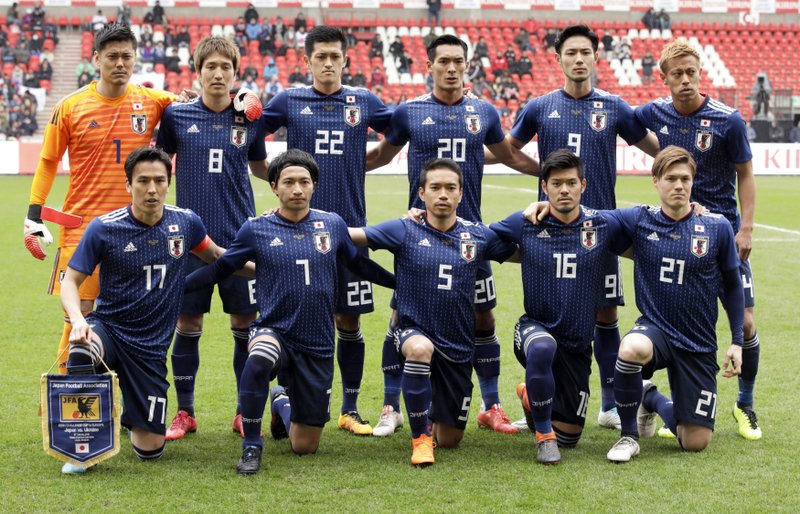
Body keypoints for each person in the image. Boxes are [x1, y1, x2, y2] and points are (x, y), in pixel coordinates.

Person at [366, 34, 538, 436]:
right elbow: (380, 156)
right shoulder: (409, 112)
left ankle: (490, 406)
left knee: (484, 317)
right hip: (420, 236)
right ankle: (391, 406)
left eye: (458, 61)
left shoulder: (484, 111)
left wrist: (550, 173)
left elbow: (510, 155)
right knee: (401, 316)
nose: (451, 68)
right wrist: (328, 169)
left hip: (472, 236)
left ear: (467, 65)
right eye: (443, 61)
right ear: (429, 66)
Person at [184, 149, 394, 475]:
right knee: (259, 358)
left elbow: (358, 264)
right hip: (275, 331)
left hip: (318, 342)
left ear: (314, 186)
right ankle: (252, 445)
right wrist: (176, 288)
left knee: (304, 446)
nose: (297, 189)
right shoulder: (256, 228)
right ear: (274, 186)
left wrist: (398, 283)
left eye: (304, 182)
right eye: (289, 182)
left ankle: (281, 400)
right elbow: (221, 268)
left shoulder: (332, 224)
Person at [503, 24, 659, 430]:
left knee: (605, 313)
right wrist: (544, 176)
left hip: (598, 232)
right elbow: (507, 150)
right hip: (551, 232)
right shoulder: (540, 107)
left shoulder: (615, 107)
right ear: (558, 59)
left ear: (596, 57)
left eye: (585, 52)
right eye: (570, 52)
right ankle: (539, 397)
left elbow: (658, 151)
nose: (578, 59)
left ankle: (608, 406)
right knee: (549, 315)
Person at [61, 146, 231, 473]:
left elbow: (217, 256)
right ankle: (83, 445)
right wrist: (79, 320)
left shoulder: (186, 223)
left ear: (169, 183)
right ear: (128, 185)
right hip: (110, 330)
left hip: (150, 350)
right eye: (142, 181)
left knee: (150, 451)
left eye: (159, 180)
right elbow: (71, 280)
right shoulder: (104, 227)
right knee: (82, 350)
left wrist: (265, 266)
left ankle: (131, 411)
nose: (151, 189)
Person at [24, 24, 179, 382]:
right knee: (76, 316)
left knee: (131, 317)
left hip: (135, 231)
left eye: (126, 56)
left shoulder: (154, 101)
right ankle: (70, 392)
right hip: (82, 230)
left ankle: (125, 393)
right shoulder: (70, 106)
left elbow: (197, 107)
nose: (120, 63)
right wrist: (34, 214)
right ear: (96, 58)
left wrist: (239, 97)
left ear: (135, 58)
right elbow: (47, 161)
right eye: (112, 56)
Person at [261, 26, 393, 436]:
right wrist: (273, 179)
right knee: (295, 319)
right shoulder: (289, 100)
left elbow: (400, 132)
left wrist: (365, 161)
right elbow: (247, 134)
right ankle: (286, 398)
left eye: (335, 56)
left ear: (346, 60)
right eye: (321, 56)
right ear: (307, 61)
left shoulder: (363, 100)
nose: (329, 63)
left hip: (348, 232)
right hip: (297, 233)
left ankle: (349, 409)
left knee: (349, 321)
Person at [350, 159, 516, 465]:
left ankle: (429, 413)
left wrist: (539, 218)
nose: (443, 194)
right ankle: (421, 439)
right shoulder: (404, 228)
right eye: (435, 187)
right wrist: (300, 218)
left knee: (450, 440)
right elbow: (350, 235)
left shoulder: (477, 235)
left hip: (457, 345)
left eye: (450, 188)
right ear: (421, 193)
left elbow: (521, 250)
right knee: (419, 349)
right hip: (412, 331)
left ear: (461, 194)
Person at [635, 39, 761, 441]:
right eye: (678, 73)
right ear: (664, 77)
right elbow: (628, 125)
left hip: (722, 236)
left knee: (745, 321)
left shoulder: (728, 120)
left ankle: (745, 404)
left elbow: (746, 174)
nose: (686, 79)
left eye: (691, 72)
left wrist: (745, 228)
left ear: (700, 72)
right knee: (679, 320)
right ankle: (674, 403)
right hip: (678, 237)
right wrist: (661, 155)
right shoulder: (654, 113)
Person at [155, 36, 267, 442]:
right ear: (197, 71)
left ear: (235, 73)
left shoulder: (249, 117)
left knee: (245, 325)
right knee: (187, 323)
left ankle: (243, 411)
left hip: (240, 241)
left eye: (225, 67)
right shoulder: (176, 115)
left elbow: (260, 167)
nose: (218, 74)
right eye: (210, 67)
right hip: (188, 242)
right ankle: (185, 412)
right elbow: (158, 169)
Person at [491, 149, 633, 464]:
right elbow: (480, 237)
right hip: (534, 329)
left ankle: (530, 397)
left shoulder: (602, 224)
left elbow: (650, 217)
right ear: (545, 187)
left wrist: (691, 208)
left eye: (571, 182)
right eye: (556, 184)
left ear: (583, 185)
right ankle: (544, 437)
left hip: (577, 344)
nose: (564, 189)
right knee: (543, 347)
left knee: (569, 437)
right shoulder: (525, 223)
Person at [604, 146, 744, 462]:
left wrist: (737, 341)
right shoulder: (639, 219)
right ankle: (629, 436)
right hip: (657, 330)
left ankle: (649, 397)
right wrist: (544, 205)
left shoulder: (717, 226)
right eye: (670, 178)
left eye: (685, 179)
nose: (678, 185)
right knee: (631, 349)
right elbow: (587, 217)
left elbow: (733, 286)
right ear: (655, 180)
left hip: (698, 341)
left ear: (693, 182)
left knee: (694, 441)